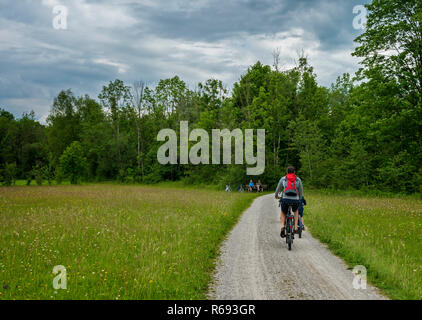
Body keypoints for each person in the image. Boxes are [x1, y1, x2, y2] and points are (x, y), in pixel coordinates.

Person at [275, 166, 304, 238]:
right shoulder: (298, 179)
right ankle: (295, 228)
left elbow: (278, 189)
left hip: (285, 199)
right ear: (294, 172)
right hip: (295, 200)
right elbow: (301, 191)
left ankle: (282, 226)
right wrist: (299, 199)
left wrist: (276, 196)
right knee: (296, 211)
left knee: (283, 211)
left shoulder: (283, 179)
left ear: (287, 172)